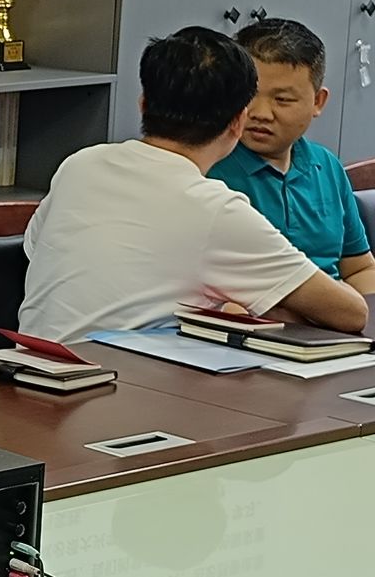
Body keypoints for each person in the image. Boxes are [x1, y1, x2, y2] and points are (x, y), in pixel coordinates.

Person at [19, 25, 367, 345]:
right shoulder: (215, 208)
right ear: (238, 121)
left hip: (24, 369)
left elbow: (38, 251)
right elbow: (352, 313)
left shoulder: (79, 164)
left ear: (142, 105)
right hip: (119, 379)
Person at [207, 18, 375, 295]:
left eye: (282, 100)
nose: (260, 113)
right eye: (248, 95)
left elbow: (360, 269)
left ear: (318, 102)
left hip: (336, 311)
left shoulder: (327, 166)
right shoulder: (210, 168)